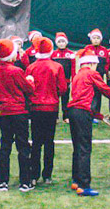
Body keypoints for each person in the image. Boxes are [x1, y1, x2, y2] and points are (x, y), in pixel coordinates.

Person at [68, 45, 110, 196]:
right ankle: (84, 185)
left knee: (77, 147)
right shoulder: (92, 74)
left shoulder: (78, 75)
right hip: (82, 113)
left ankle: (76, 180)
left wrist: (99, 116)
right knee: (85, 148)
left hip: (73, 111)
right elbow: (105, 89)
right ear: (91, 63)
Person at [0, 39, 36, 192]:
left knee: (5, 147)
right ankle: (25, 181)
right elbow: (28, 89)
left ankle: (3, 181)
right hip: (19, 112)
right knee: (23, 146)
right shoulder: (16, 71)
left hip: (5, 113)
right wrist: (30, 81)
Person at [25, 36, 67, 185]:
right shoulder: (57, 67)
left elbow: (27, 88)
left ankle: (34, 175)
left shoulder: (31, 67)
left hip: (36, 108)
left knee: (36, 142)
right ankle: (47, 175)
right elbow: (62, 89)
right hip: (51, 108)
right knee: (49, 141)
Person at [51, 32, 76, 122]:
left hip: (66, 81)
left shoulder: (71, 54)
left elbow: (73, 68)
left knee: (65, 99)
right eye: (59, 42)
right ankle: (55, 116)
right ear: (56, 43)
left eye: (63, 41)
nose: (61, 43)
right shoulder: (53, 54)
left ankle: (66, 116)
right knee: (55, 99)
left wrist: (73, 80)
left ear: (66, 42)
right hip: (55, 81)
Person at [87, 29, 109, 122]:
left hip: (99, 77)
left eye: (98, 38)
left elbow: (107, 62)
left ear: (101, 39)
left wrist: (105, 71)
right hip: (89, 77)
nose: (96, 40)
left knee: (98, 95)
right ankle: (88, 114)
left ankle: (96, 115)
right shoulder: (87, 48)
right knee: (89, 95)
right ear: (91, 39)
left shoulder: (104, 50)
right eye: (94, 38)